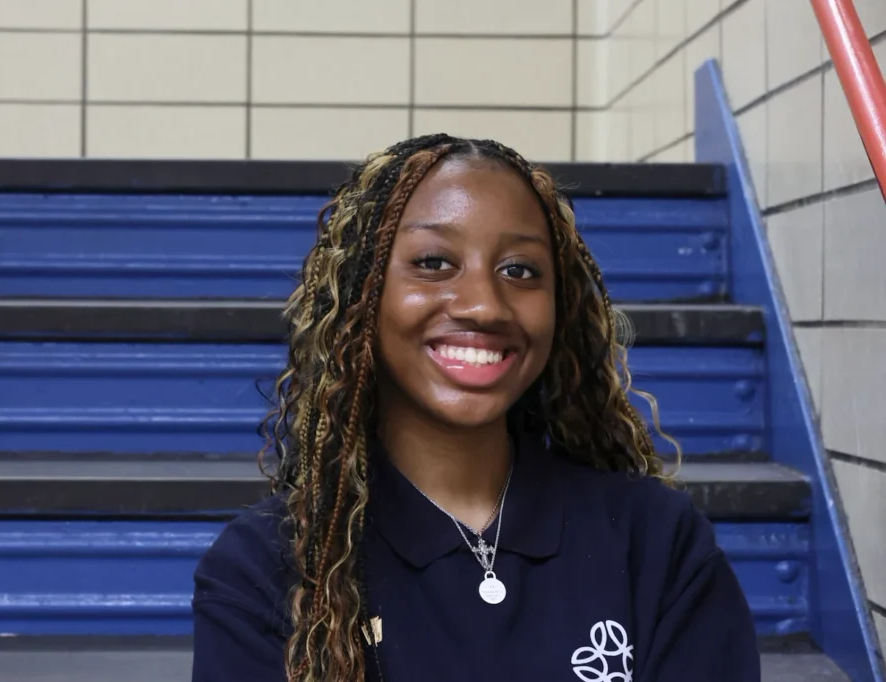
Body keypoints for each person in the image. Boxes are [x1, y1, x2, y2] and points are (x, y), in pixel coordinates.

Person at [191, 134, 760, 682]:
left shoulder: (655, 540)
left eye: (520, 270)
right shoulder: (268, 568)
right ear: (363, 296)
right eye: (434, 262)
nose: (486, 305)